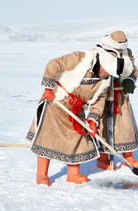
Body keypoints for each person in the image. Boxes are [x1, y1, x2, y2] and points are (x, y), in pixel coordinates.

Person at [26, 43, 125, 186]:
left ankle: (73, 175)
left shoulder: (104, 81)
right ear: (102, 65)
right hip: (56, 102)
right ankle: (41, 175)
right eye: (108, 72)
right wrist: (48, 88)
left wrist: (92, 121)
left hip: (75, 110)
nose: (108, 76)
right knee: (47, 138)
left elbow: (98, 101)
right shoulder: (81, 58)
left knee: (79, 140)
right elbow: (53, 64)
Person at [96, 30, 138, 170]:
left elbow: (134, 69)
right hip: (104, 95)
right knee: (104, 126)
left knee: (125, 124)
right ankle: (103, 158)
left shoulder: (128, 52)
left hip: (121, 95)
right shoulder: (100, 52)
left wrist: (130, 80)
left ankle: (128, 155)